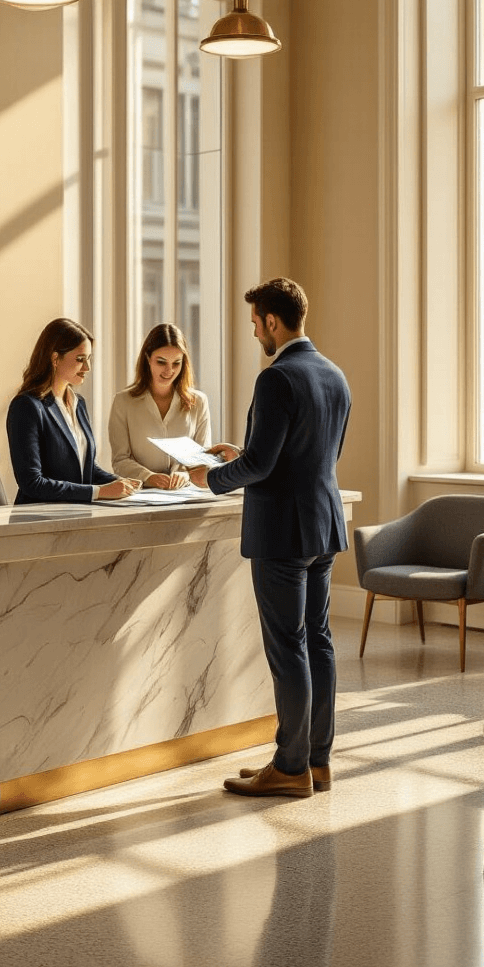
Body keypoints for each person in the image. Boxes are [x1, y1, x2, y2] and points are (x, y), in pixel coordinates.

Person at [189, 278, 350, 798]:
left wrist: (210, 478)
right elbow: (308, 454)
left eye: (256, 322)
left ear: (273, 322)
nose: (254, 330)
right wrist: (246, 453)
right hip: (323, 525)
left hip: (282, 530)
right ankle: (318, 761)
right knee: (318, 641)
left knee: (288, 647)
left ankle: (289, 766)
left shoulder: (276, 377)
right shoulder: (334, 374)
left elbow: (262, 466)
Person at [7, 318, 138, 504]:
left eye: (89, 359)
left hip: (77, 513)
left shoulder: (79, 403)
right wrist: (99, 492)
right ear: (55, 358)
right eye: (80, 359)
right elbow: (32, 483)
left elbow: (87, 469)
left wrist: (119, 483)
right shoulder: (27, 406)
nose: (87, 368)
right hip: (39, 517)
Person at [108, 323, 211, 489]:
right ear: (148, 358)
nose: (169, 371)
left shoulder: (199, 402)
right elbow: (120, 460)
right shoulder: (123, 402)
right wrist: (149, 477)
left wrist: (184, 473)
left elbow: (202, 458)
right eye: (161, 362)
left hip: (186, 495)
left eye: (176, 363)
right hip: (140, 495)